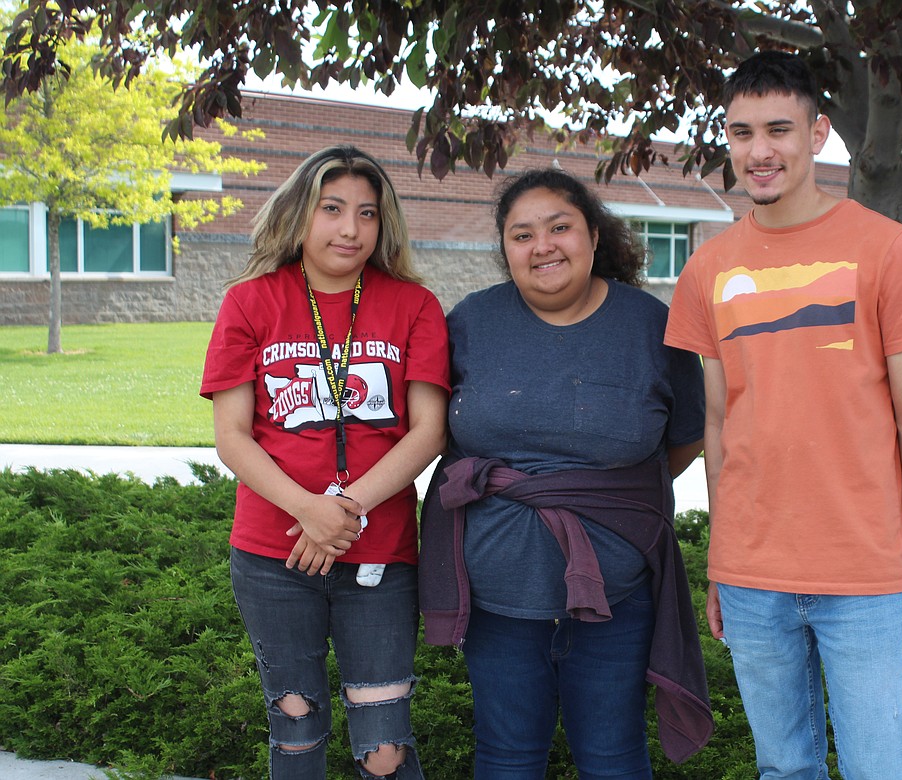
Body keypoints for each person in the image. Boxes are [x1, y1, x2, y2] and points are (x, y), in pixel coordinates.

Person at [664, 51, 902, 779]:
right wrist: (721, 567)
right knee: (784, 769)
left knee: (879, 768)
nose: (759, 151)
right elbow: (720, 426)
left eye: (779, 129)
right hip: (754, 574)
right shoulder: (709, 268)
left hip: (864, 571)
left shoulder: (886, 249)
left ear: (818, 134)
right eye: (741, 132)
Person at [418, 168, 713, 778]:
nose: (543, 245)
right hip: (496, 599)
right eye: (521, 235)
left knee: (613, 757)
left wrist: (604, 501)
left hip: (618, 597)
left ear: (593, 236)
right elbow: (440, 434)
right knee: (505, 756)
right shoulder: (471, 323)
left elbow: (683, 442)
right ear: (505, 250)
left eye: (559, 227)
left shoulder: (652, 327)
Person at [201, 145, 449, 779]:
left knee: (386, 745)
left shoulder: (414, 306)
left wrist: (347, 510)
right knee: (295, 729)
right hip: (272, 554)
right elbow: (232, 437)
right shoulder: (249, 303)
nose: (350, 229)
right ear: (298, 214)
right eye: (332, 209)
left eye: (367, 214)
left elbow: (428, 432)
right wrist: (310, 511)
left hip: (380, 554)